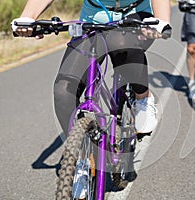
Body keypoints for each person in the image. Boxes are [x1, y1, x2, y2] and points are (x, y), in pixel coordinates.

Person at [11, 0, 171, 135]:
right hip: (93, 21)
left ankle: (142, 98)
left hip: (136, 17)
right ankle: (79, 153)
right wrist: (28, 17)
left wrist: (162, 20)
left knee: (120, 43)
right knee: (63, 91)